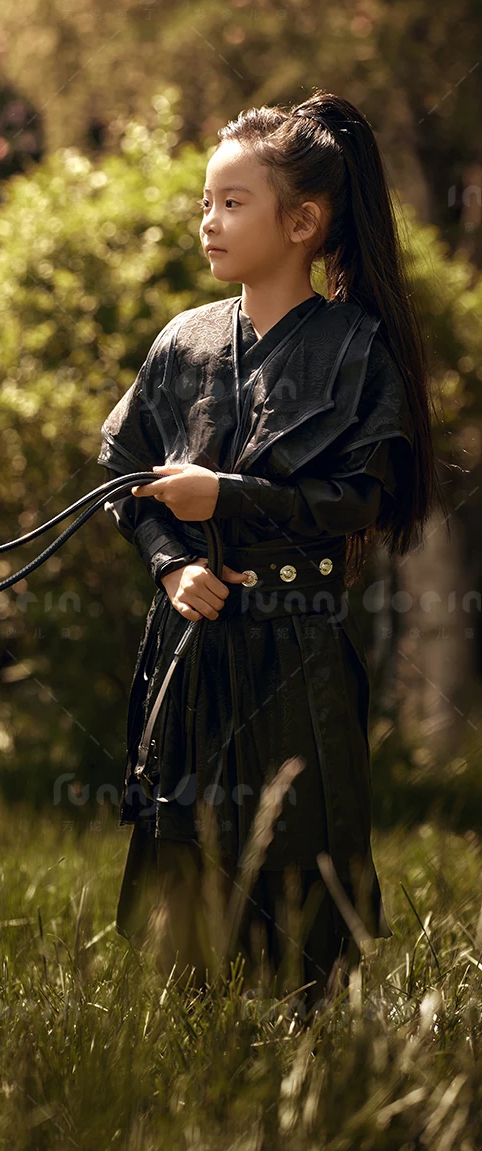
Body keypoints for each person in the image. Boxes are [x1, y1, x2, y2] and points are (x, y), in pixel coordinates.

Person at [98, 90, 442, 1016]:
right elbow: (119, 470)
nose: (209, 220)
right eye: (206, 202)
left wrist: (230, 497)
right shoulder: (184, 340)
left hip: (297, 649)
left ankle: (308, 1050)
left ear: (304, 221)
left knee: (298, 860)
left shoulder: (356, 348)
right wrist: (173, 564)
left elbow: (358, 500)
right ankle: (186, 1046)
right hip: (189, 648)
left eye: (233, 202)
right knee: (181, 860)